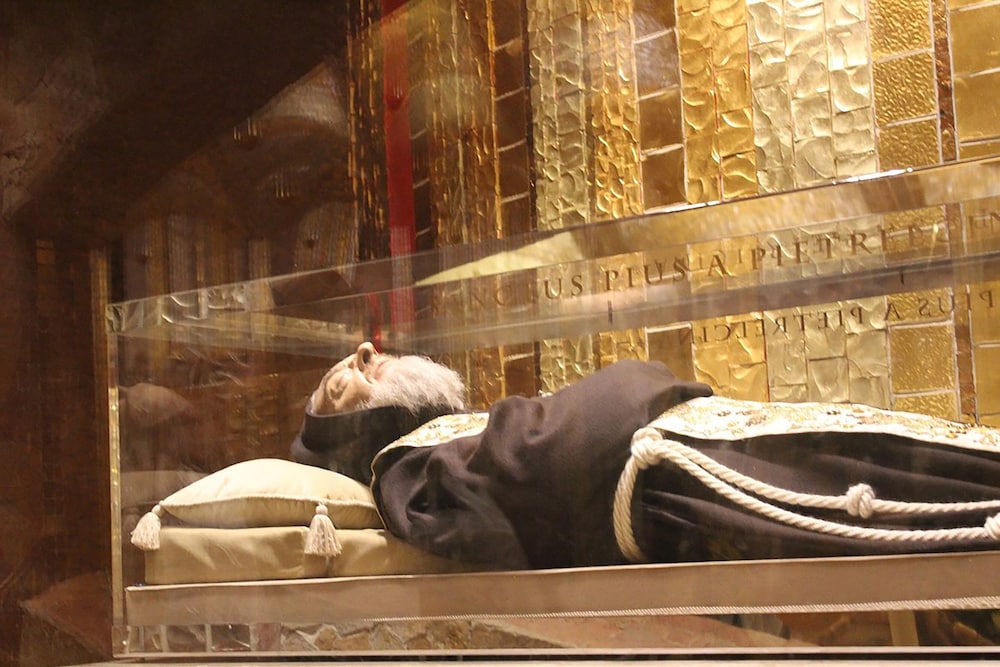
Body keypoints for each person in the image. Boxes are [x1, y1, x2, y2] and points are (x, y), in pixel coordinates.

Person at [292, 342, 1000, 571]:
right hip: (667, 472)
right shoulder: (403, 471)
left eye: (356, 358)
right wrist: (626, 391)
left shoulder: (434, 441)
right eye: (343, 382)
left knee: (887, 443)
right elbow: (521, 480)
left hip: (675, 440)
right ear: (358, 433)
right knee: (884, 479)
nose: (365, 352)